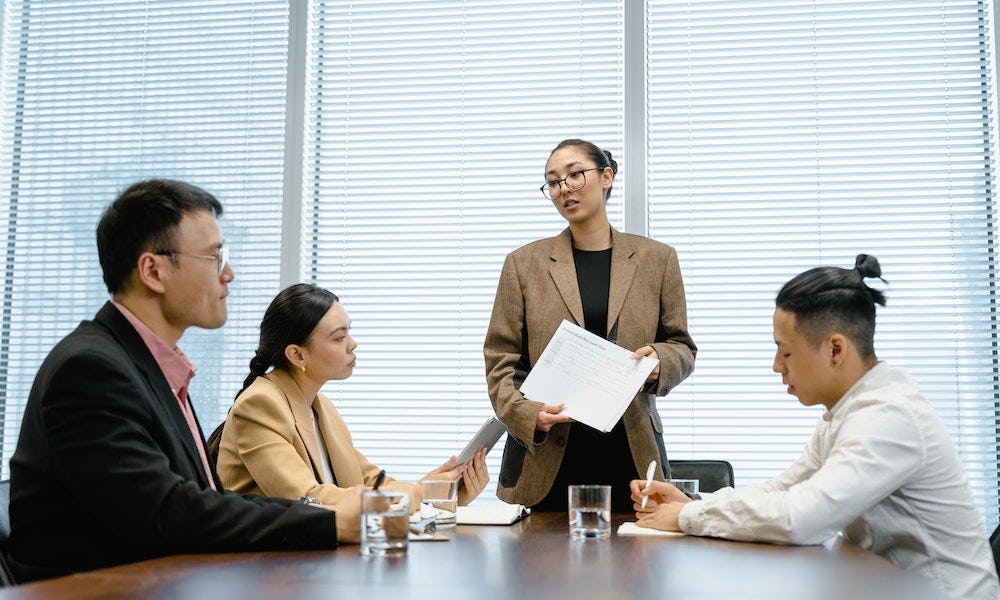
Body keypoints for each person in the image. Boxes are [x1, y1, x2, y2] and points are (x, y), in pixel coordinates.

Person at [7, 179, 360, 583]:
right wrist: (331, 523)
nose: (228, 274)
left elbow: (205, 502)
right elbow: (169, 514)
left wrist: (330, 517)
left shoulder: (150, 367)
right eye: (214, 257)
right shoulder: (91, 369)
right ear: (153, 270)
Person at [630, 254, 1000, 600]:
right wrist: (694, 502)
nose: (777, 365)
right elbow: (784, 487)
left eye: (785, 351)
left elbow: (801, 519)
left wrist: (687, 517)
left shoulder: (888, 417)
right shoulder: (848, 411)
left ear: (835, 350)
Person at [484, 139, 697, 512]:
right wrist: (528, 414)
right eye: (553, 182)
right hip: (547, 452)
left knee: (639, 565)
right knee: (537, 566)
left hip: (629, 450)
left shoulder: (657, 259)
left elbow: (682, 345)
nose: (564, 188)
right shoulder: (523, 264)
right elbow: (500, 358)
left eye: (575, 175)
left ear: (606, 176)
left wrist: (660, 360)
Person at [215, 283, 490, 508]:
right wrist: (421, 494)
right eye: (338, 338)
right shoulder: (260, 404)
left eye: (350, 332)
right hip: (261, 565)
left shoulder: (321, 406)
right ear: (297, 354)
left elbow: (371, 482)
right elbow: (306, 498)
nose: (352, 344)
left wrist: (437, 490)